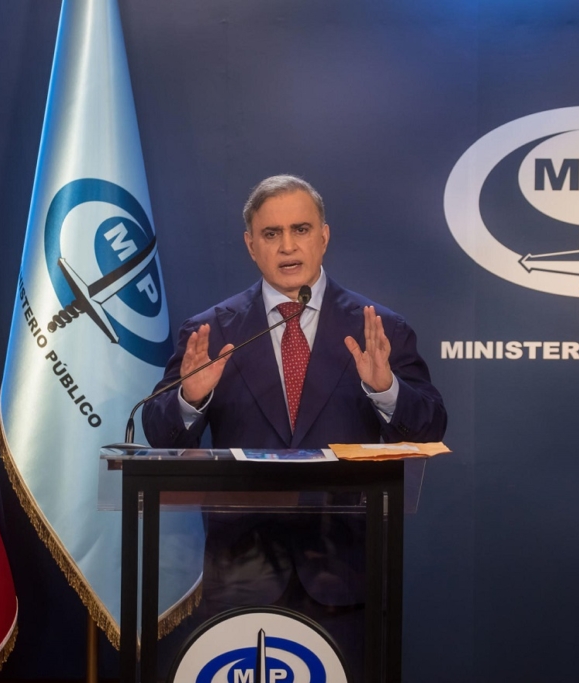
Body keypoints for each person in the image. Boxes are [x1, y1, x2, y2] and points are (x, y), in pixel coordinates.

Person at [143, 175, 446, 677]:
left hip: (344, 576)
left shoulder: (379, 328)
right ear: (251, 245)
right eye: (271, 234)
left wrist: (385, 388)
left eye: (301, 229)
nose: (287, 246)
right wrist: (191, 397)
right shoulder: (212, 329)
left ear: (323, 236)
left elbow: (430, 424)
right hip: (241, 574)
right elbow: (160, 433)